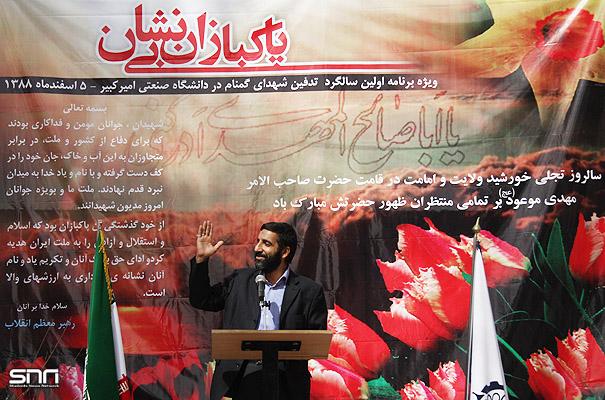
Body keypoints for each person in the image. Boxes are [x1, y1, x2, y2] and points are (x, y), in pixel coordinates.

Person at [189, 220, 328, 400]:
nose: (257, 248)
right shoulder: (238, 280)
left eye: (266, 243)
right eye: (258, 241)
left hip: (285, 380)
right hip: (240, 377)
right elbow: (201, 299)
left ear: (285, 252)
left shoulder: (309, 291)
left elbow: (315, 340)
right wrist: (201, 260)